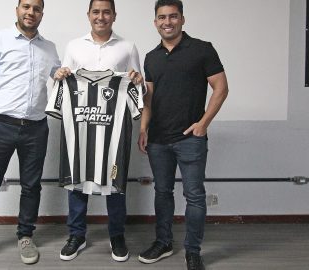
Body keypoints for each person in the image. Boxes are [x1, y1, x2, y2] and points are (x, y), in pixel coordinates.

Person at [0, 0, 60, 269]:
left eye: (37, 8)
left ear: (43, 13)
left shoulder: (49, 48)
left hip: (36, 127)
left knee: (32, 186)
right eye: (26, 6)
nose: (31, 13)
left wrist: (62, 72)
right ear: (17, 9)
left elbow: (57, 74)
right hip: (0, 125)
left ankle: (26, 236)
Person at [137, 0, 228, 269]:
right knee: (162, 193)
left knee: (195, 196)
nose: (167, 22)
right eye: (162, 17)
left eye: (173, 16)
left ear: (182, 19)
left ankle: (193, 252)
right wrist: (143, 128)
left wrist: (203, 123)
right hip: (158, 140)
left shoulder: (202, 49)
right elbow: (148, 99)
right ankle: (163, 243)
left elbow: (221, 88)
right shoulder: (151, 57)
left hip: (190, 139)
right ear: (155, 22)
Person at [53, 0, 143, 262]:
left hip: (113, 133)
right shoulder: (74, 46)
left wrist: (137, 81)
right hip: (80, 129)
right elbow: (62, 83)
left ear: (114, 15)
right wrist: (59, 75)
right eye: (96, 12)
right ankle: (76, 235)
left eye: (106, 12)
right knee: (77, 182)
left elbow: (140, 87)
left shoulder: (128, 47)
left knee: (115, 185)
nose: (101, 16)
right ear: (88, 15)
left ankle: (117, 236)